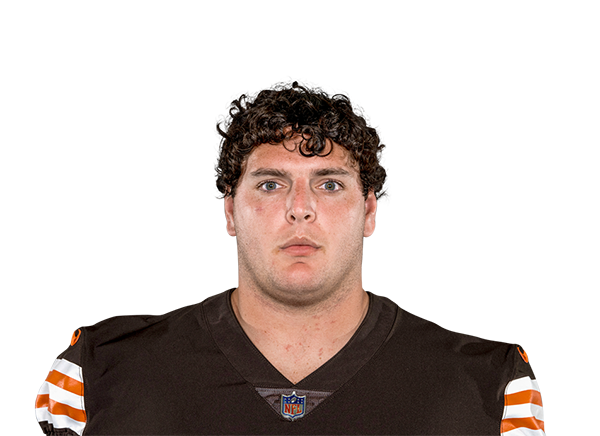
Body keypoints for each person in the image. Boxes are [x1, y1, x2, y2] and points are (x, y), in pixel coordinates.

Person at [35, 79, 546, 435]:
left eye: (329, 184)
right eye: (271, 183)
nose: (300, 208)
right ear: (231, 212)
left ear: (369, 212)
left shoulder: (491, 387)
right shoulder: (97, 372)